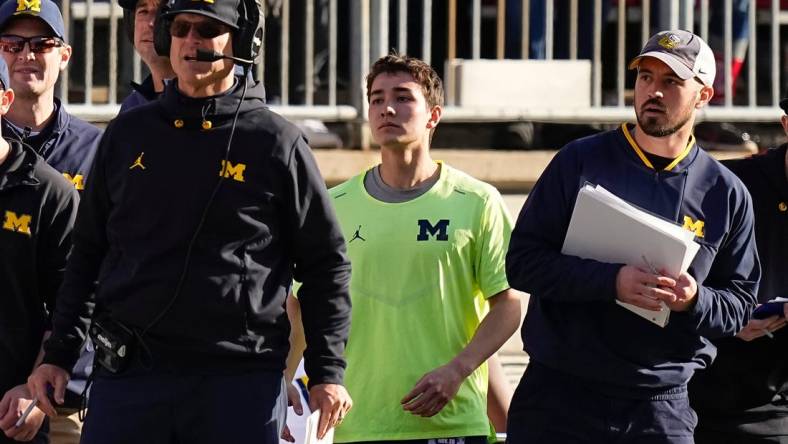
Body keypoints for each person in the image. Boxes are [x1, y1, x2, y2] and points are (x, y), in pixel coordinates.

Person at [26, 0, 353, 442]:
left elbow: (326, 264)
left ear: (239, 43)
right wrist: (59, 353)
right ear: (166, 39)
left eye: (207, 30)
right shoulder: (126, 135)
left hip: (238, 383)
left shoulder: (277, 143)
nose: (191, 42)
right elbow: (87, 255)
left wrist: (326, 371)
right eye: (181, 29)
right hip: (130, 379)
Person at [505, 30, 760, 443]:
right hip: (559, 397)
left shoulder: (726, 192)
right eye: (645, 77)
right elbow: (522, 264)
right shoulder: (579, 160)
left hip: (659, 409)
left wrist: (695, 299)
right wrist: (612, 281)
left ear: (704, 95)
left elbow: (740, 306)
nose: (653, 91)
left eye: (671, 82)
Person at [323, 53, 521, 443]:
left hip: (453, 424)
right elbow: (301, 307)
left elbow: (509, 305)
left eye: (403, 97)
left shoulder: (477, 201)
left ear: (433, 115)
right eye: (377, 99)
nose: (387, 108)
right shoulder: (334, 205)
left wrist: (458, 369)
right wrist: (284, 389)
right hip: (360, 426)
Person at [689, 93, 788, 444]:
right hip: (692, 386)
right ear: (786, 126)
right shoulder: (726, 183)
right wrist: (728, 318)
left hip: (773, 403)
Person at [0, 57, 79, 444]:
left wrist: (34, 390)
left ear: (4, 99)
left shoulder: (50, 193)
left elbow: (71, 306)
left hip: (12, 412)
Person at [0, 0, 101, 193]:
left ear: (64, 56)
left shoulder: (95, 148)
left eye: (41, 44)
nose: (26, 55)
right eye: (12, 44)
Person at [118, 0, 176, 111]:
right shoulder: (131, 107)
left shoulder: (200, 105)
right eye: (143, 11)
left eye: (162, 12)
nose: (151, 23)